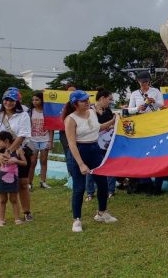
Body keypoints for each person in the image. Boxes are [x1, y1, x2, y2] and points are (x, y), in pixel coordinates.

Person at [64, 90, 118, 232]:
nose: (87, 102)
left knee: (102, 183)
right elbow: (71, 143)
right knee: (79, 187)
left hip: (95, 149)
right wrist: (81, 163)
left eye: (87, 99)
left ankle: (102, 213)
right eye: (83, 101)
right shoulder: (70, 119)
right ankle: (76, 220)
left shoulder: (93, 113)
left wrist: (113, 122)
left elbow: (97, 128)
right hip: (79, 152)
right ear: (75, 104)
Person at [0, 88, 32, 225]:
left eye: (12, 100)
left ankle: (27, 213)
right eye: (6, 99)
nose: (8, 102)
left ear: (17, 101)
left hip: (19, 151)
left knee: (23, 183)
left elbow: (22, 135)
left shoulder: (23, 115)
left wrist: (9, 151)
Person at [85, 88, 116, 199]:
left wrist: (112, 125)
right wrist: (111, 122)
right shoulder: (90, 110)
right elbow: (95, 128)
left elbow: (111, 126)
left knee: (111, 165)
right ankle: (90, 192)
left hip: (108, 143)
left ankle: (110, 190)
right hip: (94, 143)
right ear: (102, 98)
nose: (110, 102)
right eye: (109, 99)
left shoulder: (108, 111)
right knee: (92, 167)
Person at [0, 131, 27, 227]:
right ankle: (2, 220)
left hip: (13, 180)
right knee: (2, 200)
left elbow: (25, 163)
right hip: (1, 180)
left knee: (14, 199)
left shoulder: (18, 151)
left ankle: (17, 219)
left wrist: (16, 160)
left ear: (6, 141)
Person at [27, 91, 53, 190]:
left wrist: (50, 141)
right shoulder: (30, 111)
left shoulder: (47, 112)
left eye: (37, 100)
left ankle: (43, 182)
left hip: (45, 139)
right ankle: (29, 183)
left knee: (43, 161)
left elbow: (51, 127)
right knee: (32, 162)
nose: (34, 102)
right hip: (32, 140)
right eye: (33, 100)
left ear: (42, 100)